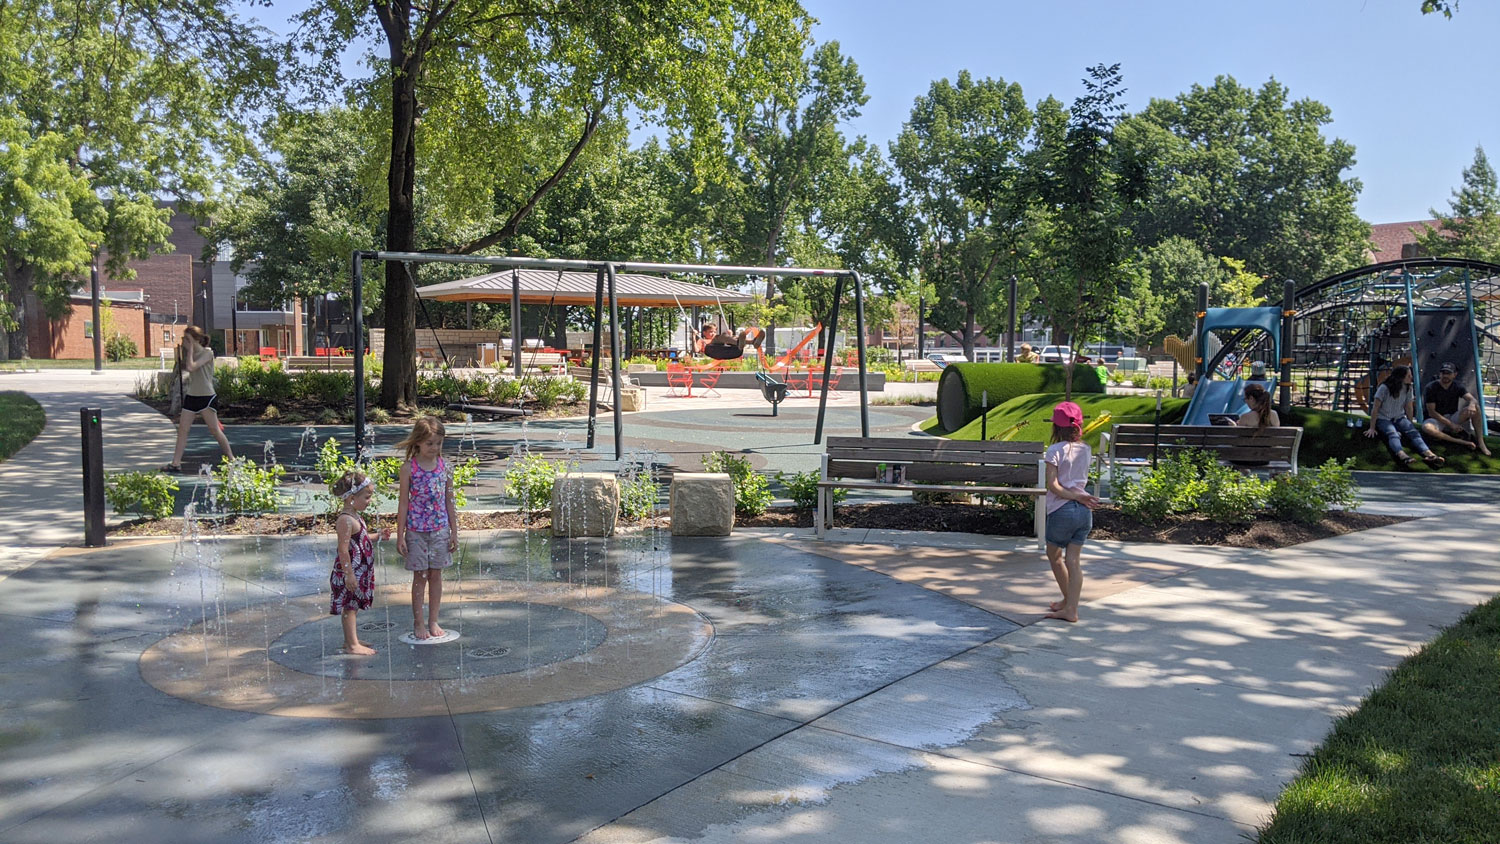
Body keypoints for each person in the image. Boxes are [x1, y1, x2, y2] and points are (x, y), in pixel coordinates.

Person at [396, 416, 458, 640]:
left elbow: (449, 501)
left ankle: (433, 620)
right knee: (420, 576)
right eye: (430, 443)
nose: (434, 448)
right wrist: (400, 535)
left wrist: (454, 531)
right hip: (416, 531)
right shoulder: (408, 469)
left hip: (440, 529)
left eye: (438, 443)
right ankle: (418, 622)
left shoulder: (445, 467)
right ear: (418, 442)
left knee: (436, 575)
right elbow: (403, 503)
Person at [1042, 401, 1101, 623]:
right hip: (1084, 512)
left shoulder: (1054, 450)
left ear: (1055, 426)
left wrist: (1074, 496)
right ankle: (1070, 607)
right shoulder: (1086, 449)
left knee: (1054, 556)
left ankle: (1069, 604)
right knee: (1073, 560)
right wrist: (1080, 496)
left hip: (1062, 510)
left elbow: (1053, 486)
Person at [329, 470, 389, 656]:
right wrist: (349, 575)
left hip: (358, 571)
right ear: (351, 498)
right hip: (350, 573)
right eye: (367, 497)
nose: (369, 501)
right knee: (350, 607)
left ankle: (350, 640)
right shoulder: (345, 520)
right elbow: (343, 549)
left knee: (353, 606)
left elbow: (361, 538)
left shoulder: (354, 516)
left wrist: (378, 536)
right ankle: (352, 645)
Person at [163, 325, 234, 472]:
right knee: (183, 429)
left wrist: (190, 350)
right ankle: (176, 463)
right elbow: (188, 367)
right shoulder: (191, 354)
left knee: (214, 430)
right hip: (192, 396)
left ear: (195, 340)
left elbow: (191, 367)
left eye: (187, 339)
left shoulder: (207, 353)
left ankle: (231, 459)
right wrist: (189, 351)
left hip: (206, 397)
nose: (183, 341)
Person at [1364, 365, 1445, 469]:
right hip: (1383, 417)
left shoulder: (1408, 388)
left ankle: (1429, 454)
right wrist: (1372, 427)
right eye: (1408, 376)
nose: (1411, 378)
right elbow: (1375, 408)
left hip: (1399, 417)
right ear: (1401, 377)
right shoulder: (1384, 388)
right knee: (1393, 434)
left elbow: (1409, 406)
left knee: (1413, 433)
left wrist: (1410, 423)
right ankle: (1402, 455)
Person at [1422, 362, 1492, 456]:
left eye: (1448, 373)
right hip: (1436, 419)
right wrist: (1451, 425)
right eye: (1443, 373)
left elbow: (1473, 399)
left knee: (1476, 408)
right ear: (1440, 374)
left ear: (1455, 374)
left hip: (1452, 417)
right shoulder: (1431, 387)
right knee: (1427, 428)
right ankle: (1462, 442)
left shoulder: (1457, 386)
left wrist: (1472, 404)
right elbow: (1432, 413)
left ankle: (1480, 442)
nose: (1445, 376)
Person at [695, 322, 765, 361]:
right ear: (704, 333)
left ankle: (753, 342)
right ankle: (740, 342)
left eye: (714, 332)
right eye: (711, 332)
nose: (713, 333)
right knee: (722, 336)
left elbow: (727, 342)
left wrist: (730, 336)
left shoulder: (718, 339)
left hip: (731, 351)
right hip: (712, 351)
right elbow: (696, 350)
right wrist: (693, 336)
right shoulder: (702, 340)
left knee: (734, 337)